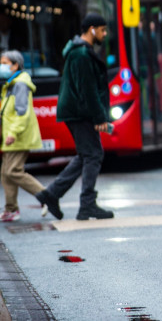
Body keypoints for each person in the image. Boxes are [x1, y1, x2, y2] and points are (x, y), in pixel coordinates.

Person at [36, 13, 115, 220]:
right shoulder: (80, 54)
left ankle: (51, 194)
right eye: (102, 30)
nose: (104, 34)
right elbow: (87, 90)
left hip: (76, 111)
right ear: (92, 30)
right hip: (80, 112)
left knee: (86, 155)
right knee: (94, 154)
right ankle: (86, 204)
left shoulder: (80, 51)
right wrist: (99, 118)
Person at [0, 51, 46, 222]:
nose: (1, 66)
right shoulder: (10, 84)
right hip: (11, 135)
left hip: (18, 135)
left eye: (4, 62)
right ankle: (11, 209)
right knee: (6, 173)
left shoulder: (19, 85)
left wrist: (12, 133)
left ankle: (46, 195)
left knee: (13, 171)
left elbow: (22, 113)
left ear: (15, 65)